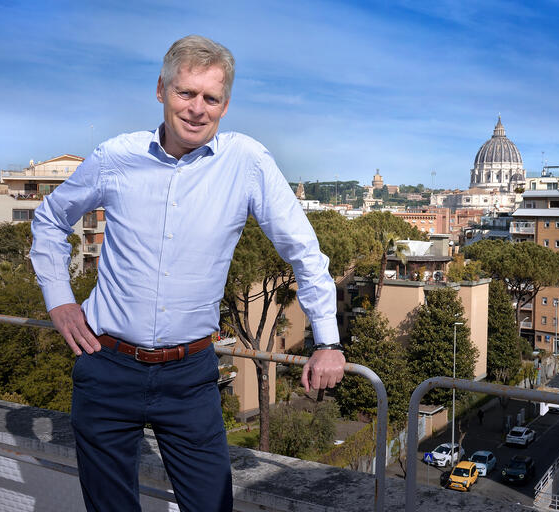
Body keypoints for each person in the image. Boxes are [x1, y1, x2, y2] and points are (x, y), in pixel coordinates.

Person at [30, 35, 345, 512]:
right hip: (106, 365)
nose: (197, 109)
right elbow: (50, 219)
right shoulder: (116, 157)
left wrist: (326, 341)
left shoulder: (247, 163)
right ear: (161, 90)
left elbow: (304, 251)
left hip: (191, 378)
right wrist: (59, 298)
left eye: (211, 98)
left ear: (225, 104)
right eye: (186, 93)